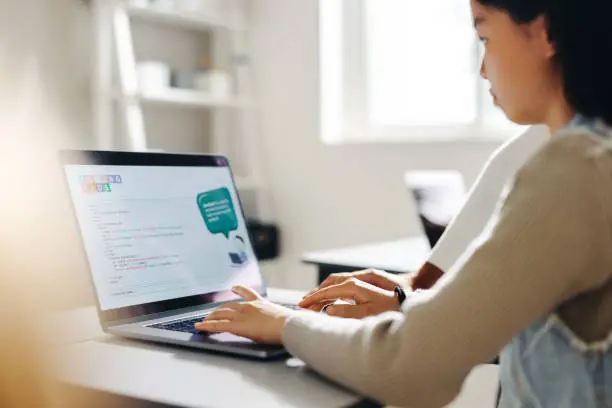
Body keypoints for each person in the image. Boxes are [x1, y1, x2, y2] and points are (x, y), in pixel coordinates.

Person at [195, 0, 612, 407]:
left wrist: (285, 323)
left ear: (543, 31)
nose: (483, 68)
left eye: (484, 36)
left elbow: (407, 368)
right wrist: (408, 303)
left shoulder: (576, 168)